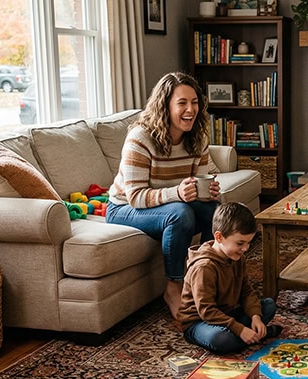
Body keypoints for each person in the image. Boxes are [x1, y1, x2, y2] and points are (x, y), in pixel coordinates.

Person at [107, 72, 220, 319]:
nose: (191, 109)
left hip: (168, 204)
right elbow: (135, 196)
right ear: (165, 106)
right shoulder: (141, 138)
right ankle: (173, 286)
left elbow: (197, 184)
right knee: (180, 214)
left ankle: (203, 280)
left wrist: (207, 193)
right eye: (182, 103)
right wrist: (177, 192)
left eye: (195, 102)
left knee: (215, 211)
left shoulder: (198, 138)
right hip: (124, 208)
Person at [178, 202, 282, 354]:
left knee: (268, 306)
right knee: (220, 340)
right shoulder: (204, 267)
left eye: (248, 243)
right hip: (200, 322)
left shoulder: (236, 257)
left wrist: (255, 317)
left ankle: (249, 333)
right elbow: (206, 311)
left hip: (227, 314)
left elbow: (246, 291)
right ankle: (255, 335)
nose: (245, 249)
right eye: (240, 243)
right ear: (219, 237)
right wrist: (239, 329)